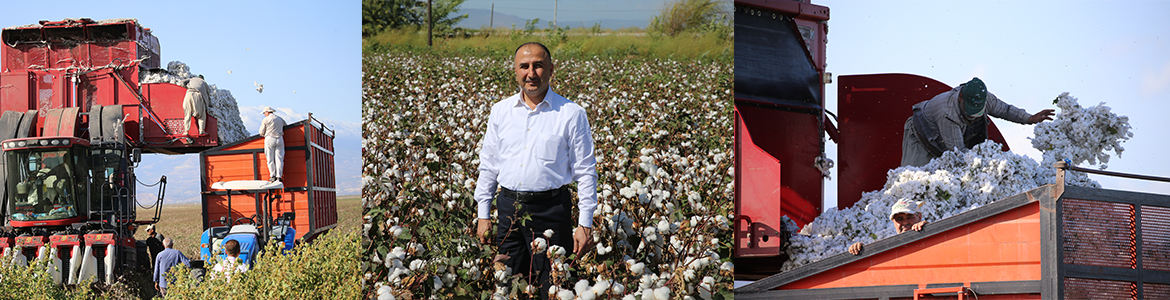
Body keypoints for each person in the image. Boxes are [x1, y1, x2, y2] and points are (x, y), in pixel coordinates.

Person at [474, 42, 598, 299]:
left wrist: (585, 223)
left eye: (538, 66)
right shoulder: (500, 111)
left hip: (551, 211)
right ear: (516, 71)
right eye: (524, 66)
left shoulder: (571, 114)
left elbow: (586, 171)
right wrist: (483, 214)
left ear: (551, 70)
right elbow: (489, 165)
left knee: (551, 287)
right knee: (505, 283)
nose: (531, 73)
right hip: (508, 209)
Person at [901, 77, 1055, 167]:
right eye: (969, 111)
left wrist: (1029, 118)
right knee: (917, 182)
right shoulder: (947, 113)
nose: (973, 116)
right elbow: (959, 151)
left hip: (950, 140)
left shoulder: (985, 98)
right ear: (961, 97)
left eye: (977, 112)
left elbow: (1006, 110)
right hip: (921, 138)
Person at [849, 199, 929, 255]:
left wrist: (928, 229)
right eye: (899, 219)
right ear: (893, 222)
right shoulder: (888, 248)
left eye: (909, 217)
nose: (905, 222)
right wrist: (860, 249)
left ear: (919, 216)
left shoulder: (929, 236)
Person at [259, 106, 287, 182]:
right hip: (280, 138)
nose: (264, 114)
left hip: (270, 138)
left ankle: (272, 175)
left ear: (267, 112)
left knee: (270, 158)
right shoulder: (280, 118)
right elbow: (285, 125)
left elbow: (261, 132)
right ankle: (279, 176)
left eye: (264, 113)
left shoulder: (266, 119)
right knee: (279, 158)